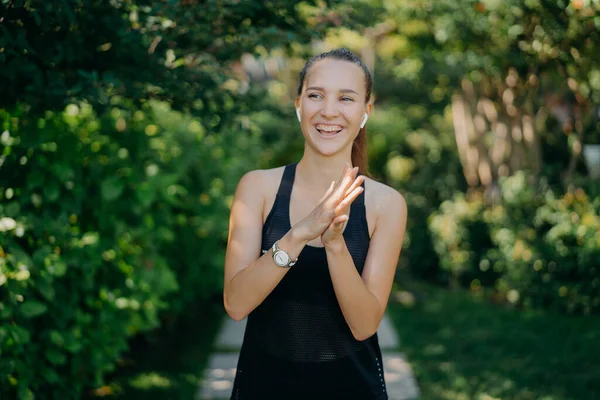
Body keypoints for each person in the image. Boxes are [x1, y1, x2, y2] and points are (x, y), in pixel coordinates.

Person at [223, 48, 408, 400]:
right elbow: (235, 304)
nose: (328, 110)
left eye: (346, 98)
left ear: (366, 113)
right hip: (262, 388)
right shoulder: (257, 188)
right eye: (315, 95)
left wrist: (335, 245)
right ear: (298, 105)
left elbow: (365, 324)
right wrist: (299, 235)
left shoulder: (386, 204)